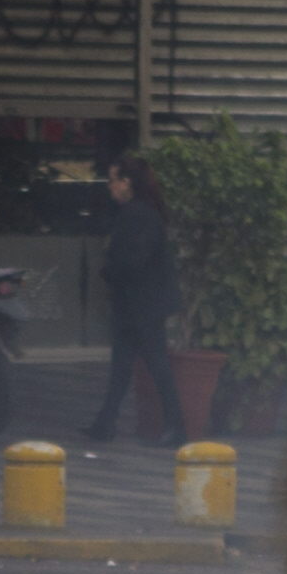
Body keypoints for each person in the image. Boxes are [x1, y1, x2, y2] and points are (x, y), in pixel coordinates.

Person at [85, 155, 182, 446]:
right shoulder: (144, 212)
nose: (110, 187)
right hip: (138, 303)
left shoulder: (136, 214)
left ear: (126, 183)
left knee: (154, 365)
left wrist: (110, 271)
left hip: (140, 304)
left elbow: (133, 259)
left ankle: (177, 427)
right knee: (124, 365)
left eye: (112, 180)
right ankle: (105, 423)